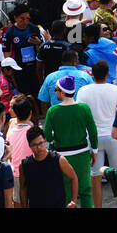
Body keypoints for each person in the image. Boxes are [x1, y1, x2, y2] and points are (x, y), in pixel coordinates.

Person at [43, 74, 97, 209]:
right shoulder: (84, 108)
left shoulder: (53, 111)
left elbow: (47, 136)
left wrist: (57, 133)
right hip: (82, 154)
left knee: (66, 192)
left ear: (62, 92)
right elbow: (93, 132)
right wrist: (94, 151)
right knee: (85, 191)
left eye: (56, 89)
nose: (55, 91)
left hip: (62, 157)